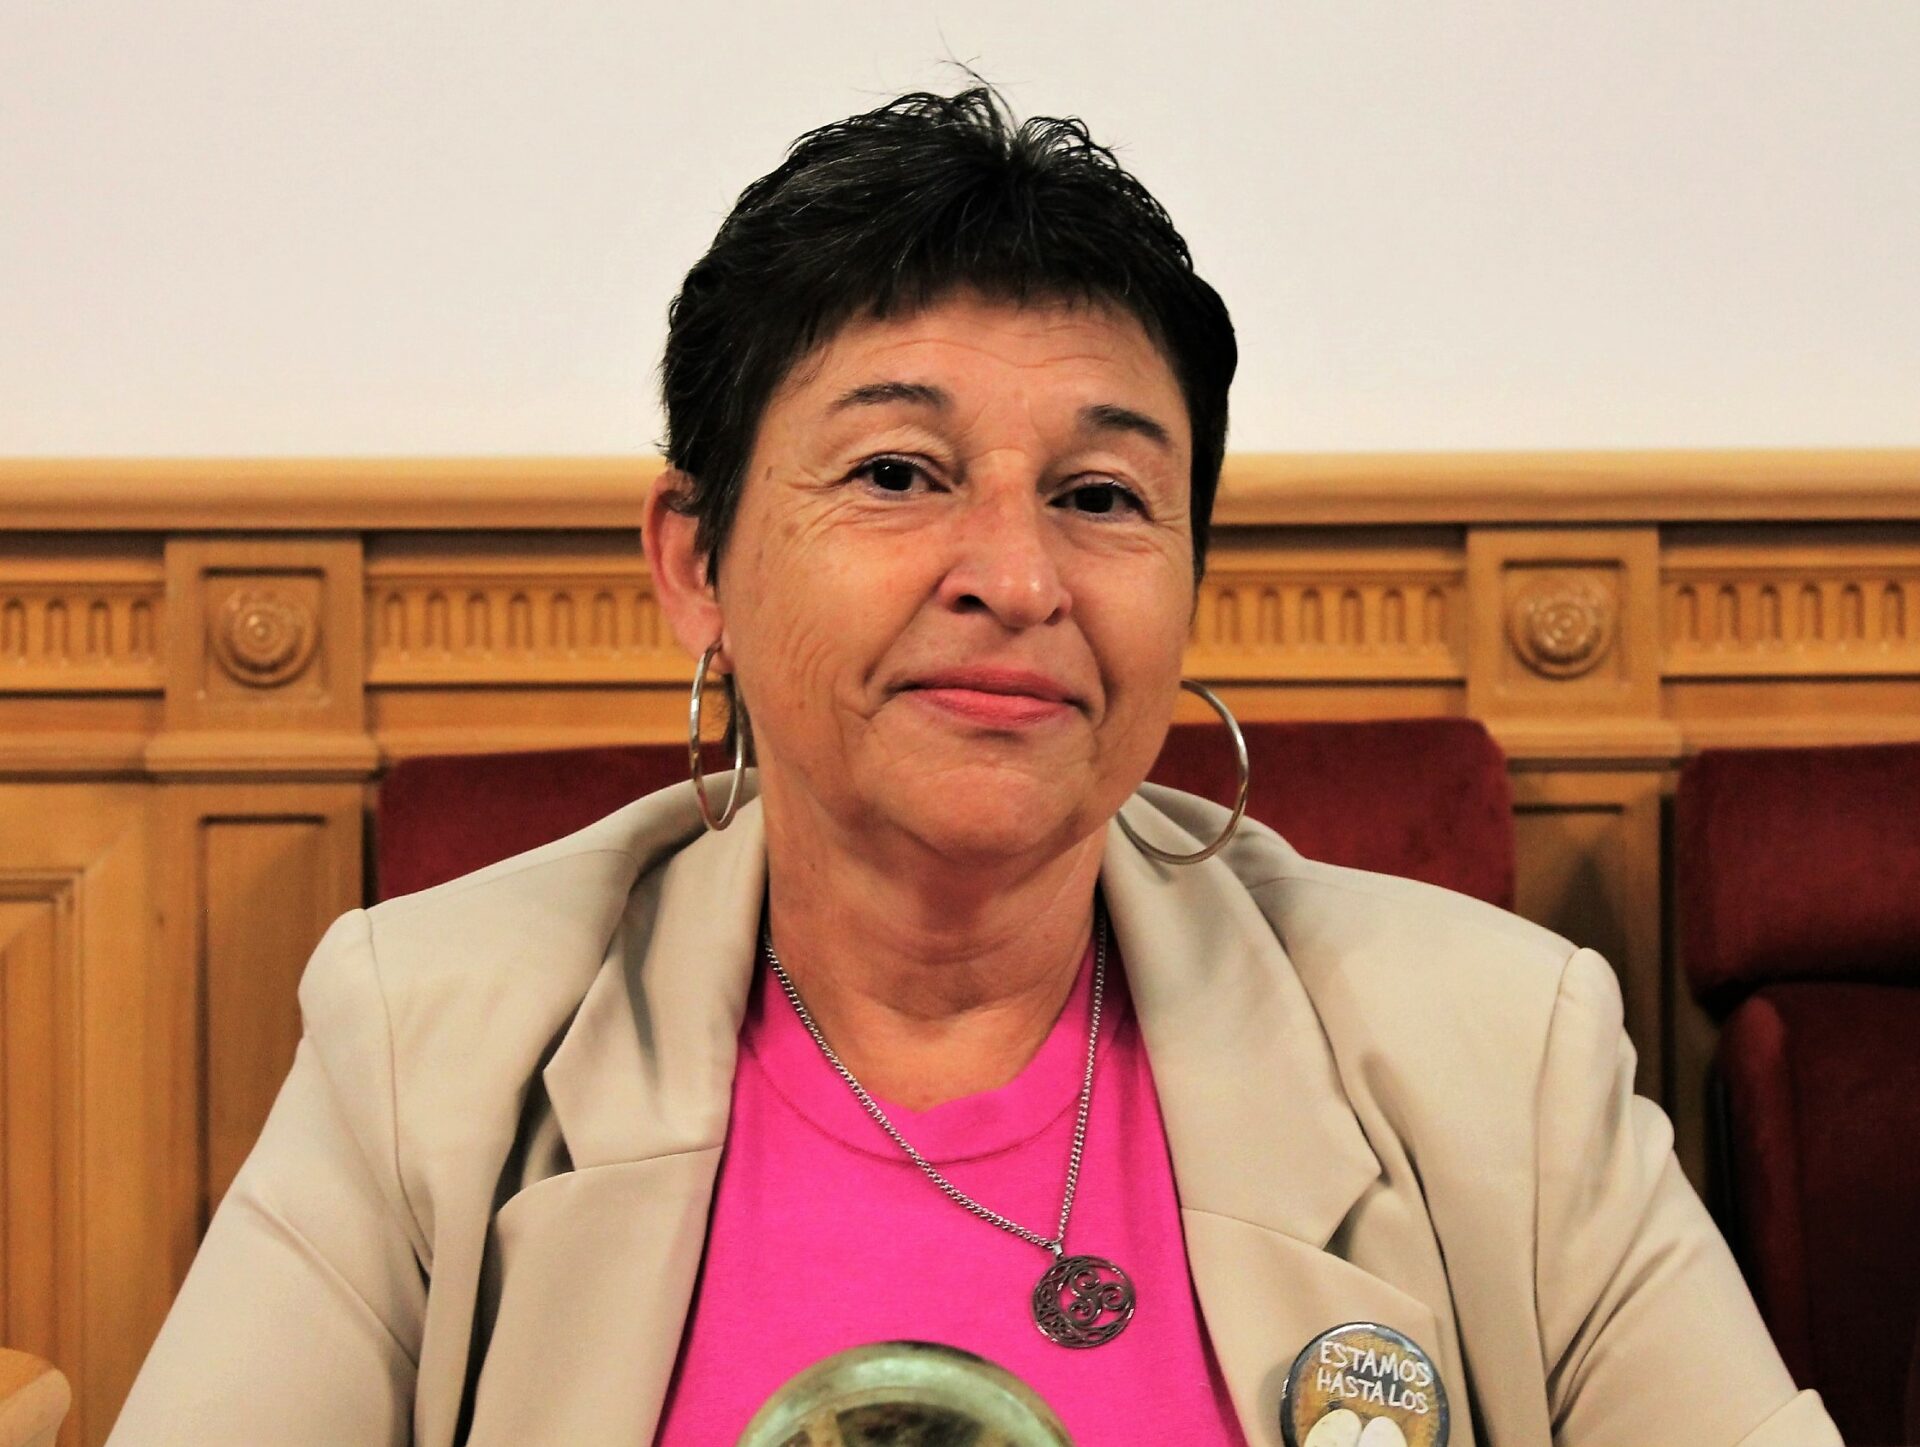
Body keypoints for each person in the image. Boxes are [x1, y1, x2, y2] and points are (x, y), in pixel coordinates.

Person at [109, 90, 1838, 1447]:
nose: (1016, 579)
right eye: (897, 473)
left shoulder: (1500, 1052)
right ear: (698, 562)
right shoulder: (427, 1043)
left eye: (1100, 496)